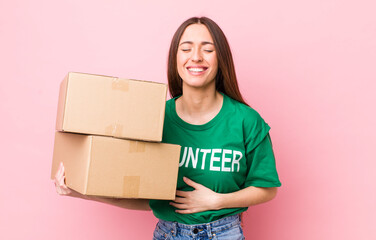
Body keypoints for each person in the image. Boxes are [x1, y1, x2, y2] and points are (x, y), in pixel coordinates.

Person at [54, 16, 281, 239]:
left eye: (208, 49)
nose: (196, 57)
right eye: (186, 48)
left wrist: (218, 200)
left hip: (225, 233)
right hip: (168, 234)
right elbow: (139, 195)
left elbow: (267, 187)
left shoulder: (246, 120)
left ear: (221, 58)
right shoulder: (152, 120)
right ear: (175, 58)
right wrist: (79, 189)